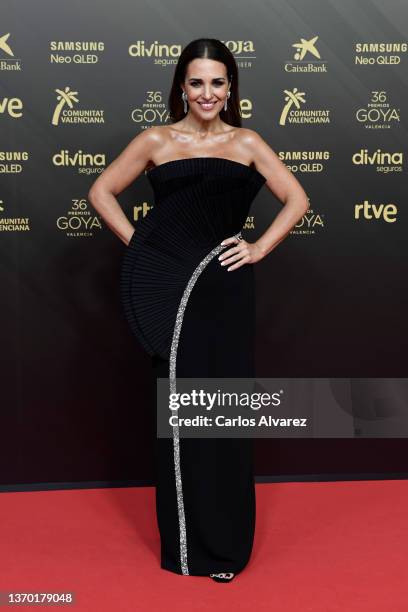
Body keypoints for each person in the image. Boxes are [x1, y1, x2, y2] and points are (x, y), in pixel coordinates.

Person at [88, 38, 309, 583]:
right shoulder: (157, 140)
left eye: (217, 82)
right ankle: (187, 547)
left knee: (226, 415)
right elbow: (101, 192)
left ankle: (227, 546)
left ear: (230, 87)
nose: (206, 93)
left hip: (228, 291)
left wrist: (258, 247)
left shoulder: (248, 141)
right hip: (172, 292)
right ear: (180, 87)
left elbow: (298, 200)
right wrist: (146, 248)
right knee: (184, 414)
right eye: (196, 82)